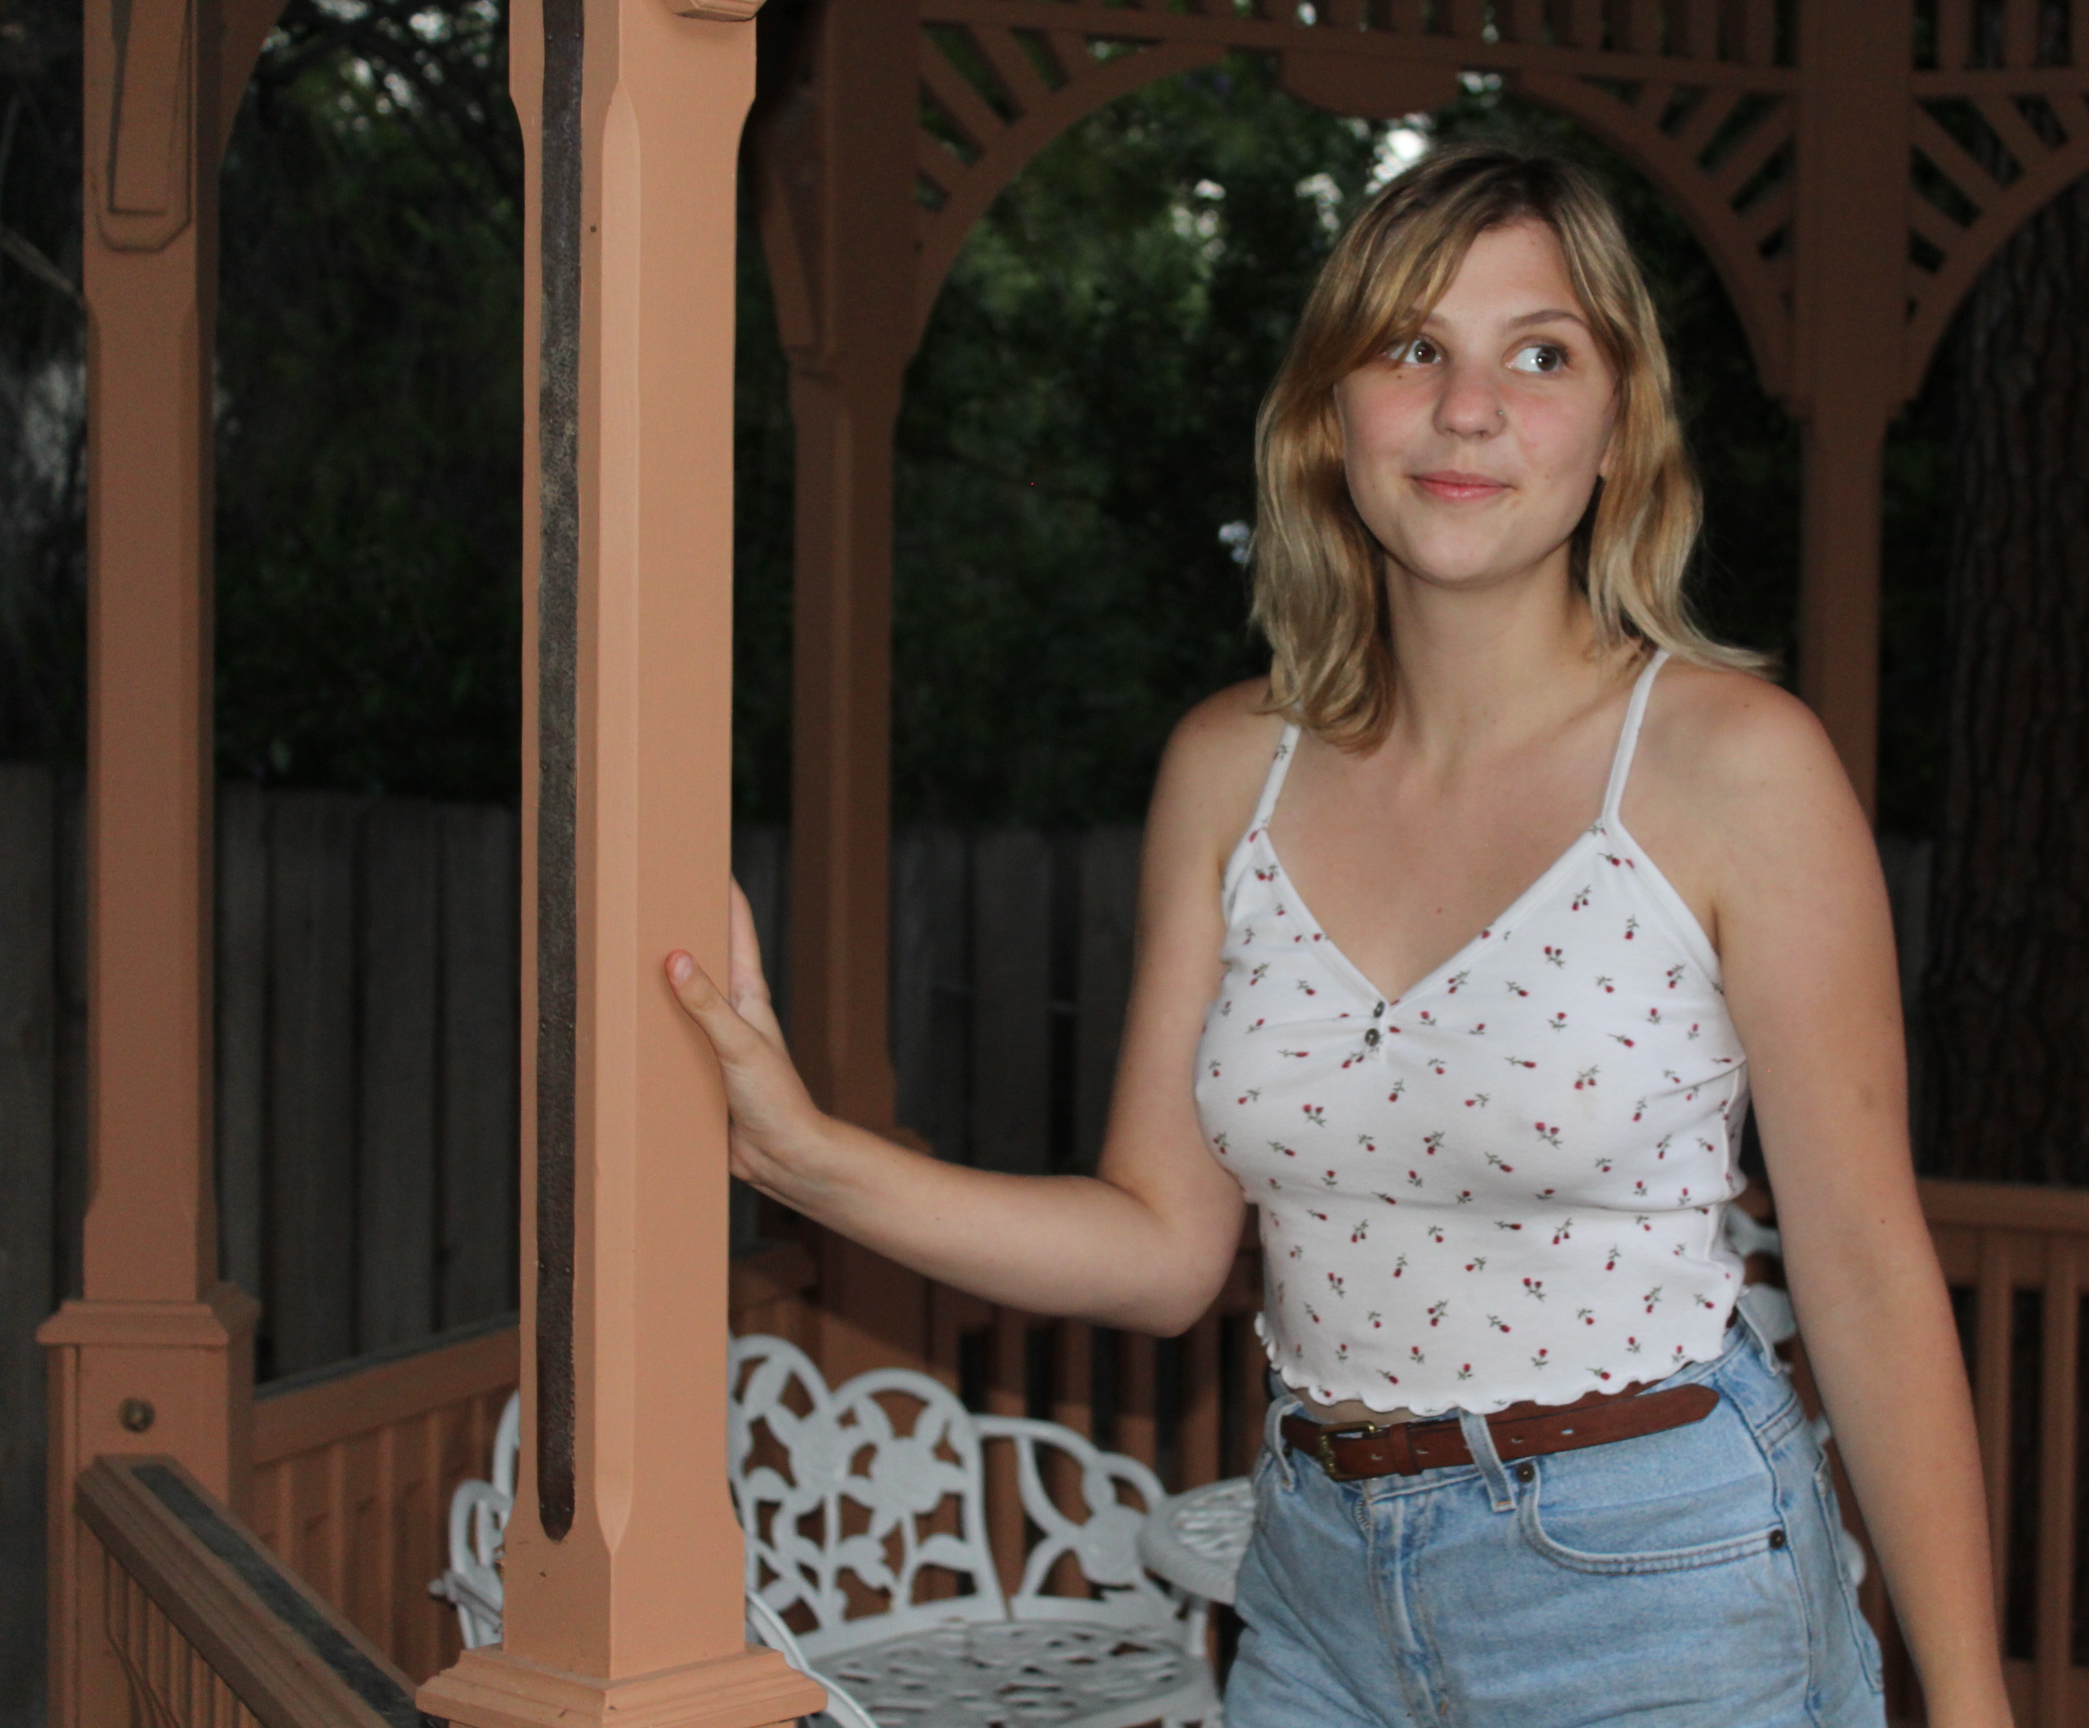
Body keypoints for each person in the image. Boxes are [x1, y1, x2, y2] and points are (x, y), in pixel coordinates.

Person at [668, 143, 2013, 1728]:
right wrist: (803, 1156)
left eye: (1541, 354)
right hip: (1313, 1589)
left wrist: (1970, 1703)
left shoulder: (1737, 767)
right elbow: (1162, 1250)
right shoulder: (1227, 769)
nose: (1469, 409)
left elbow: (1865, 1270)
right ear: (1330, 413)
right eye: (1411, 348)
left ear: (1619, 427)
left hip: (1661, 1587)